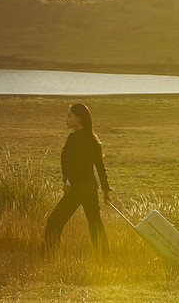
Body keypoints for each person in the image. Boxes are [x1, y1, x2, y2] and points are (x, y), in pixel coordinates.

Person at [43, 102, 112, 256]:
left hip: (76, 189)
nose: (66, 119)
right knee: (95, 225)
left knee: (53, 222)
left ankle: (48, 258)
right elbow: (100, 167)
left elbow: (74, 165)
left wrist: (68, 183)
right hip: (90, 188)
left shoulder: (74, 138)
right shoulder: (92, 138)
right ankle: (105, 258)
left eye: (69, 116)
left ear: (79, 119)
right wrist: (106, 190)